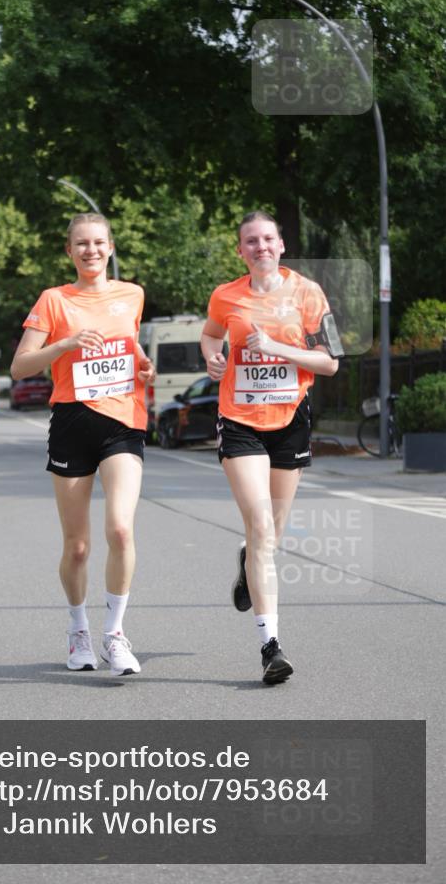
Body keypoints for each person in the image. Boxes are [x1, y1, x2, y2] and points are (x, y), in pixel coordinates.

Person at [10, 212, 155, 676]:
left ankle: (115, 634)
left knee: (121, 529)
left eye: (98, 242)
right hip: (72, 422)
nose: (90, 250)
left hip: (123, 422)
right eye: (81, 244)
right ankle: (78, 630)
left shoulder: (132, 294)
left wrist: (144, 364)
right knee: (77, 546)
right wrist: (64, 345)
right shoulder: (54, 300)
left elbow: (129, 345)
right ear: (69, 251)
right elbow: (20, 367)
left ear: (110, 247)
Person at [201, 210, 339, 685]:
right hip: (240, 419)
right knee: (261, 526)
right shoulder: (225, 295)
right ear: (241, 250)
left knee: (270, 535)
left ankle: (248, 560)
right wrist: (213, 358)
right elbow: (210, 334)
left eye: (267, 239)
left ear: (281, 246)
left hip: (290, 419)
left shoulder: (308, 293)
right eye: (251, 241)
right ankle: (271, 647)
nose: (260, 247)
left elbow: (329, 362)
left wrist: (278, 349)